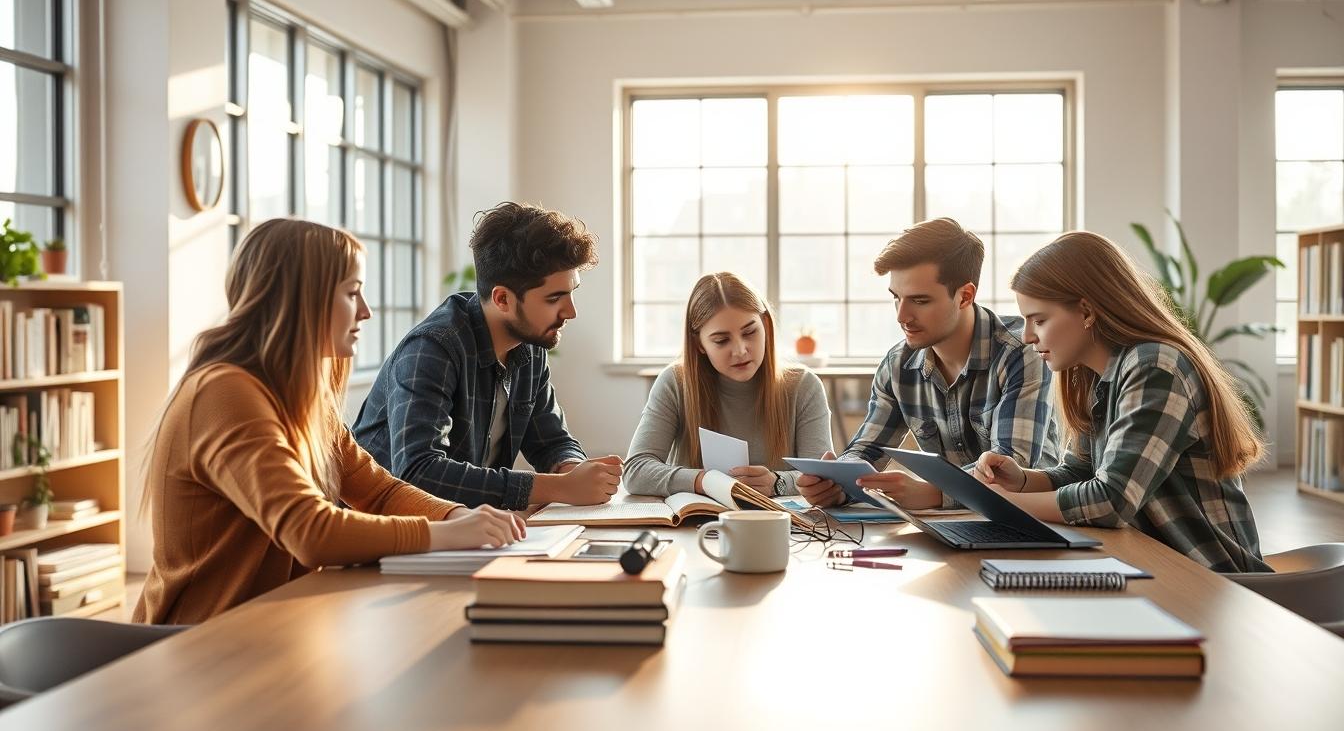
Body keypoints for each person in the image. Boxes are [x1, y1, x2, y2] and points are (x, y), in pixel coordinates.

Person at [135, 219, 524, 625]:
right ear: (302, 299)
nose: (366, 311)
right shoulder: (224, 393)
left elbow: (377, 491)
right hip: (198, 642)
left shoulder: (300, 395)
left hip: (272, 626)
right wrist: (446, 536)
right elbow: (310, 532)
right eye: (352, 293)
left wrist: (455, 515)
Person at [971, 231, 1270, 573]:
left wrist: (1005, 505)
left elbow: (1111, 500)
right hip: (1149, 564)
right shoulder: (1091, 375)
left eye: (1039, 320)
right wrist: (1021, 480)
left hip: (1212, 578)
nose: (1026, 336)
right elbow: (1078, 472)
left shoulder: (1156, 366)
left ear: (1086, 312)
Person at [353, 201, 621, 510]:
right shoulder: (433, 348)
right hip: (392, 533)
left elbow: (551, 442)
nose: (571, 312)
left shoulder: (530, 345)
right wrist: (558, 487)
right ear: (503, 299)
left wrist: (574, 471)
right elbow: (418, 472)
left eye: (572, 292)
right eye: (554, 298)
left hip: (464, 528)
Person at [796, 217, 1058, 509]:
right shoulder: (898, 366)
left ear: (965, 296)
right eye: (896, 298)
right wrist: (838, 484)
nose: (902, 316)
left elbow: (1010, 466)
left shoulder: (1022, 351)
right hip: (950, 526)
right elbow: (866, 451)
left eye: (920, 301)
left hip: (1033, 520)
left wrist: (934, 493)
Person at [625, 272, 832, 497]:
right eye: (722, 340)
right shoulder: (675, 382)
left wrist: (777, 482)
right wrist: (703, 481)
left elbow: (821, 478)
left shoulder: (804, 386)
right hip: (695, 527)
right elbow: (636, 470)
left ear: (765, 326)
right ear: (699, 344)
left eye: (750, 332)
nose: (741, 350)